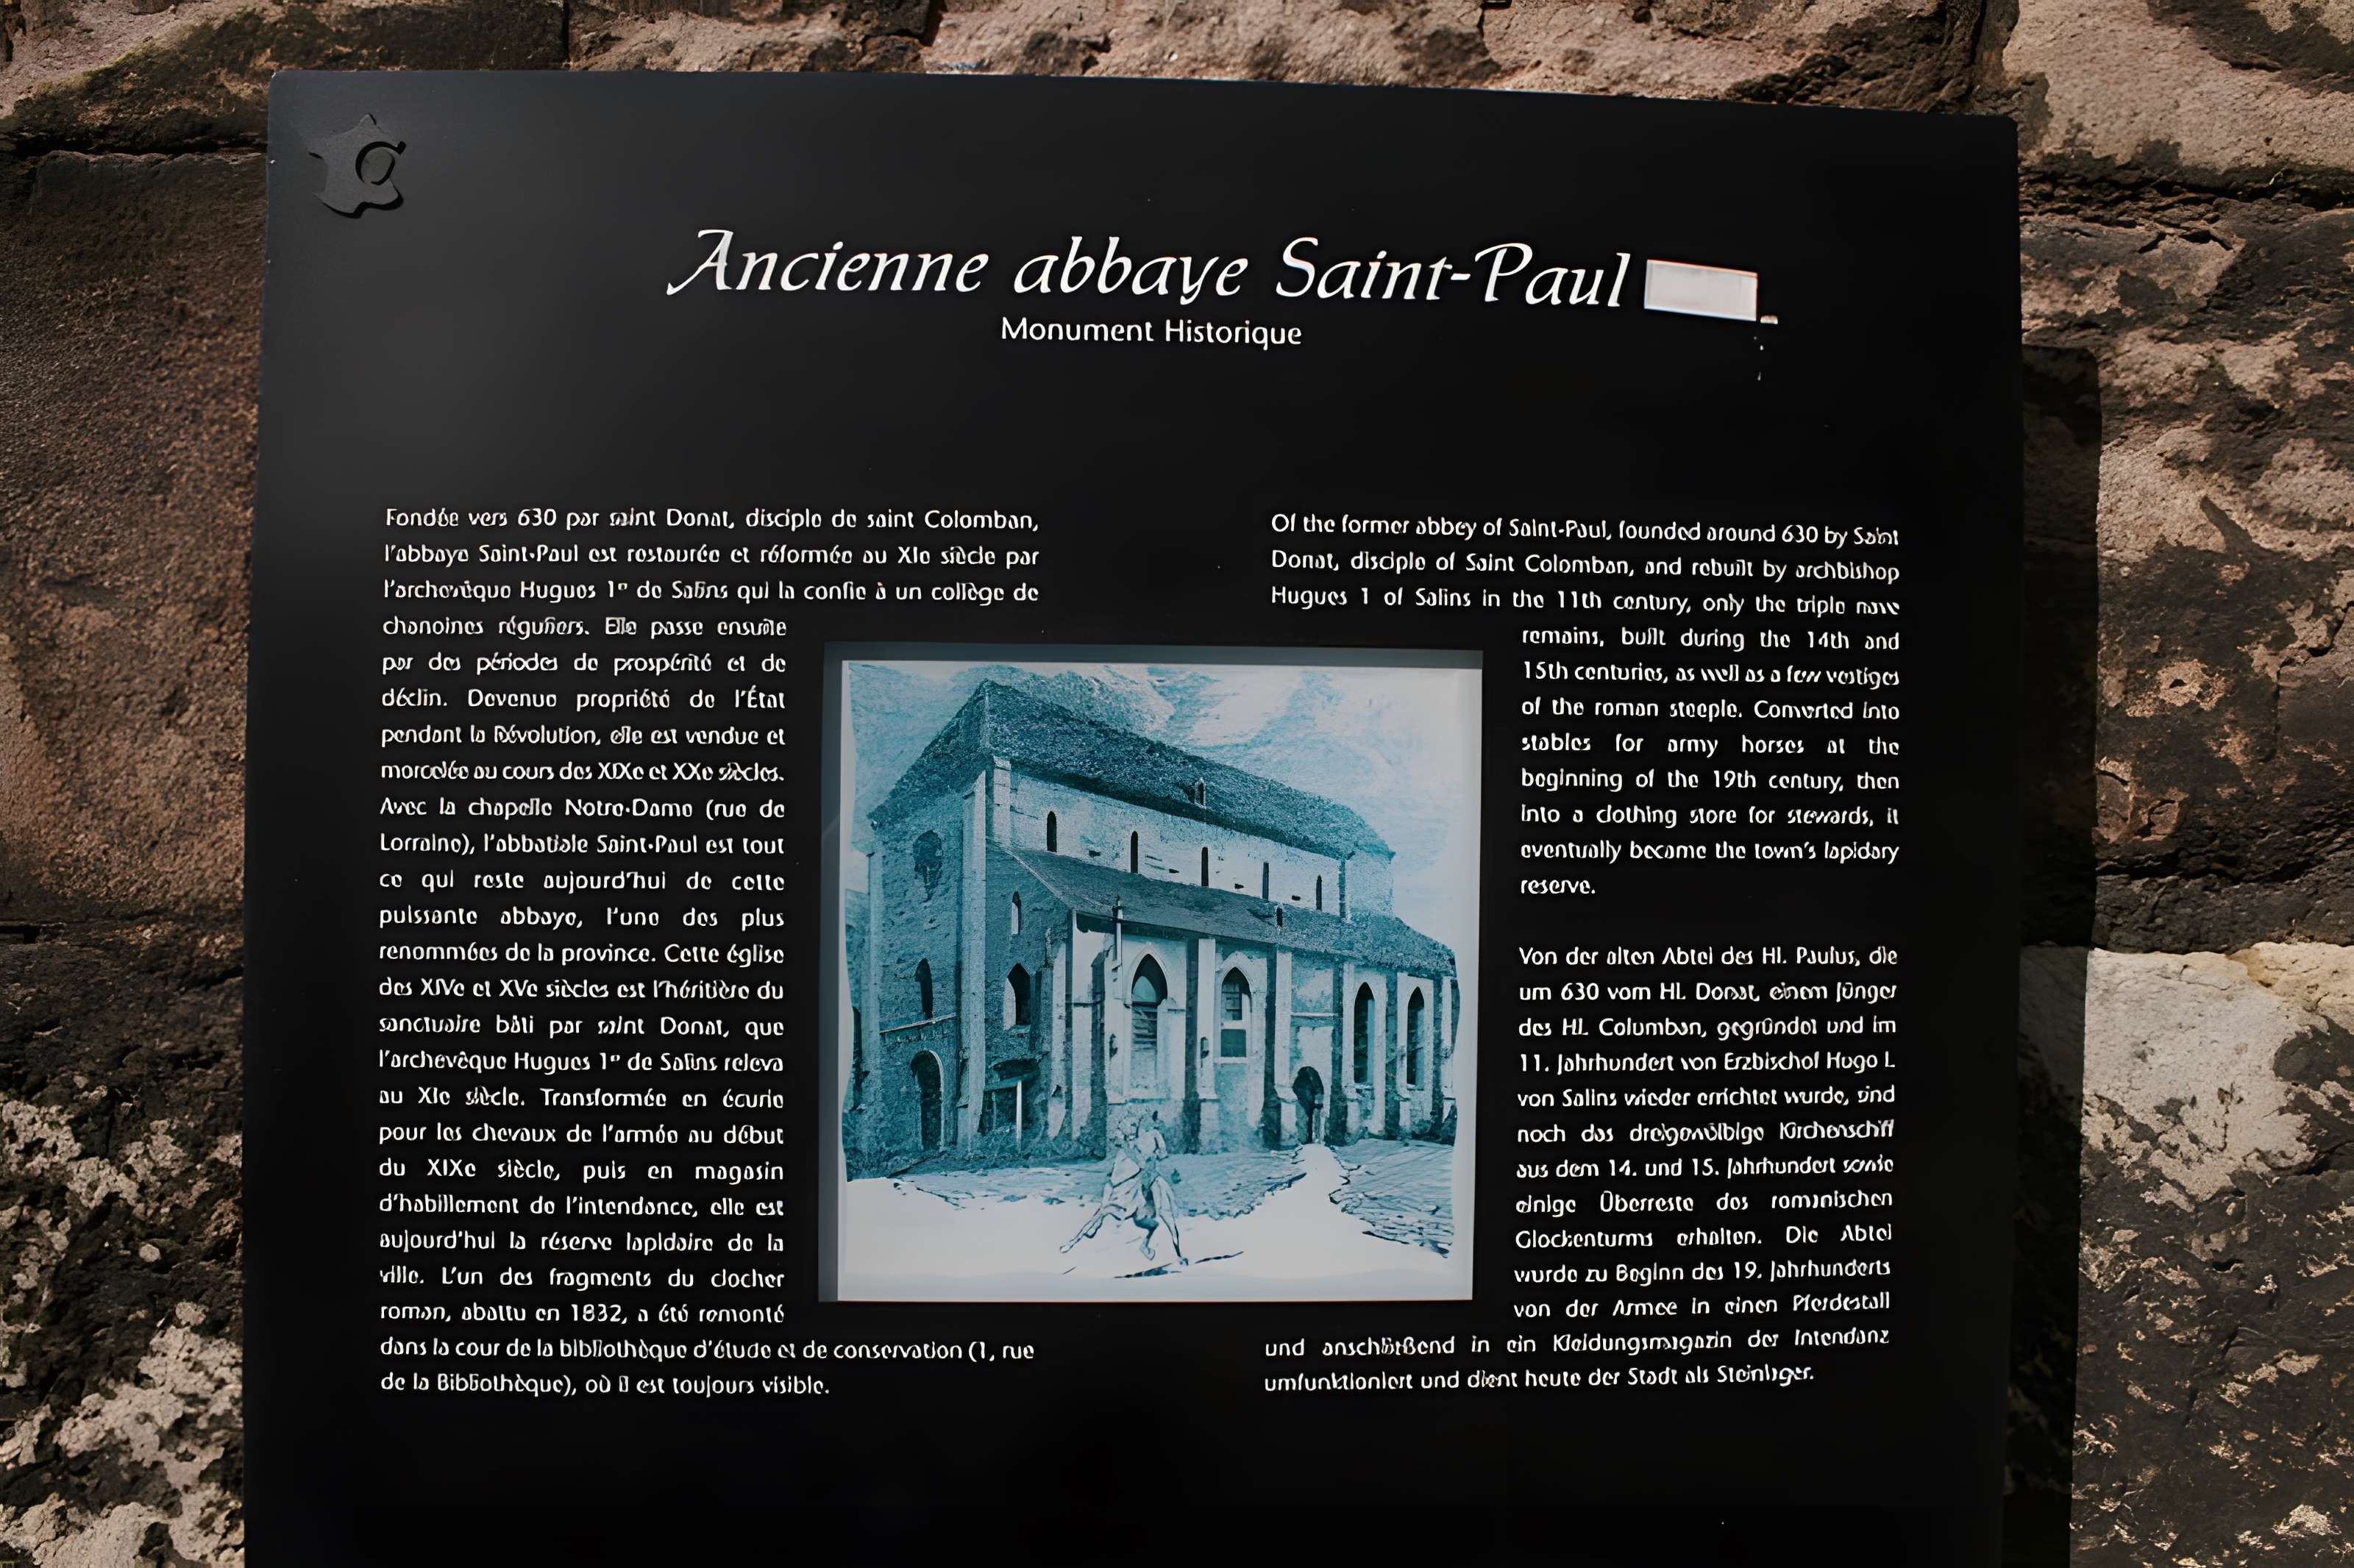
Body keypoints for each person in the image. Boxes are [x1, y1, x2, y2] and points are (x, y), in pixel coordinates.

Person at [1062, 1118, 1144, 1252]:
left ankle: (1075, 1241)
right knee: (1100, 1212)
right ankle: (1077, 1239)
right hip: (1112, 1188)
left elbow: (1141, 1165)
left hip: (1125, 1193)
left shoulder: (1134, 1151)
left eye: (1133, 1138)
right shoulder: (1122, 1150)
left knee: (1103, 1212)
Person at [1132, 1110, 1187, 1266]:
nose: (1148, 1123)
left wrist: (1156, 1153)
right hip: (1140, 1179)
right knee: (1136, 1213)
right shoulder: (1135, 1138)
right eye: (1146, 1120)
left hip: (1153, 1177)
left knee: (1165, 1213)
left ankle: (1178, 1253)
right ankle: (1144, 1247)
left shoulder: (1155, 1134)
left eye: (1150, 1120)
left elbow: (1164, 1153)